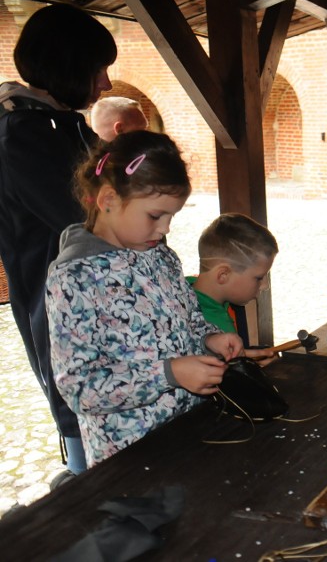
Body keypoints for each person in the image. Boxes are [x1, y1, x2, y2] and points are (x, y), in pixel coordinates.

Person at [45, 131, 244, 468]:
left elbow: (189, 319)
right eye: (155, 216)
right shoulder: (74, 278)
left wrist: (209, 338)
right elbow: (80, 388)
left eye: (172, 217)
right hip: (128, 457)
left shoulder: (163, 258)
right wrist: (168, 374)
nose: (164, 228)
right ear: (108, 200)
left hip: (189, 435)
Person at [0, 3, 116, 480]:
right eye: (99, 70)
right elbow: (95, 220)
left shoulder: (62, 125)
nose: (105, 84)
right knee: (86, 424)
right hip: (65, 314)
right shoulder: (24, 137)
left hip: (102, 301)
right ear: (68, 66)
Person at [189, 212, 279, 365]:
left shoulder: (194, 291)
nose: (265, 286)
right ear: (223, 275)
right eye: (258, 278)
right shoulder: (204, 319)